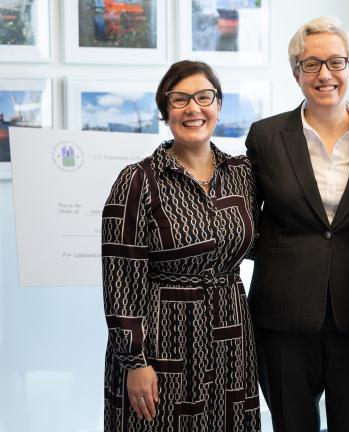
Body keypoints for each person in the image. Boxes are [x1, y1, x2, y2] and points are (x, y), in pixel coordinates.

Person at [245, 16, 349, 432]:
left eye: (336, 62)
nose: (324, 74)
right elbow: (244, 217)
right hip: (283, 314)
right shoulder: (266, 136)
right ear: (296, 73)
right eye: (311, 64)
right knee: (292, 423)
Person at [102, 60, 260, 432]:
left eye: (204, 97)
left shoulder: (242, 174)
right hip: (162, 340)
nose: (193, 108)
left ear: (218, 106)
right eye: (180, 99)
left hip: (231, 338)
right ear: (165, 111)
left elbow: (262, 241)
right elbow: (120, 278)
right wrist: (134, 361)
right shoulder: (137, 181)